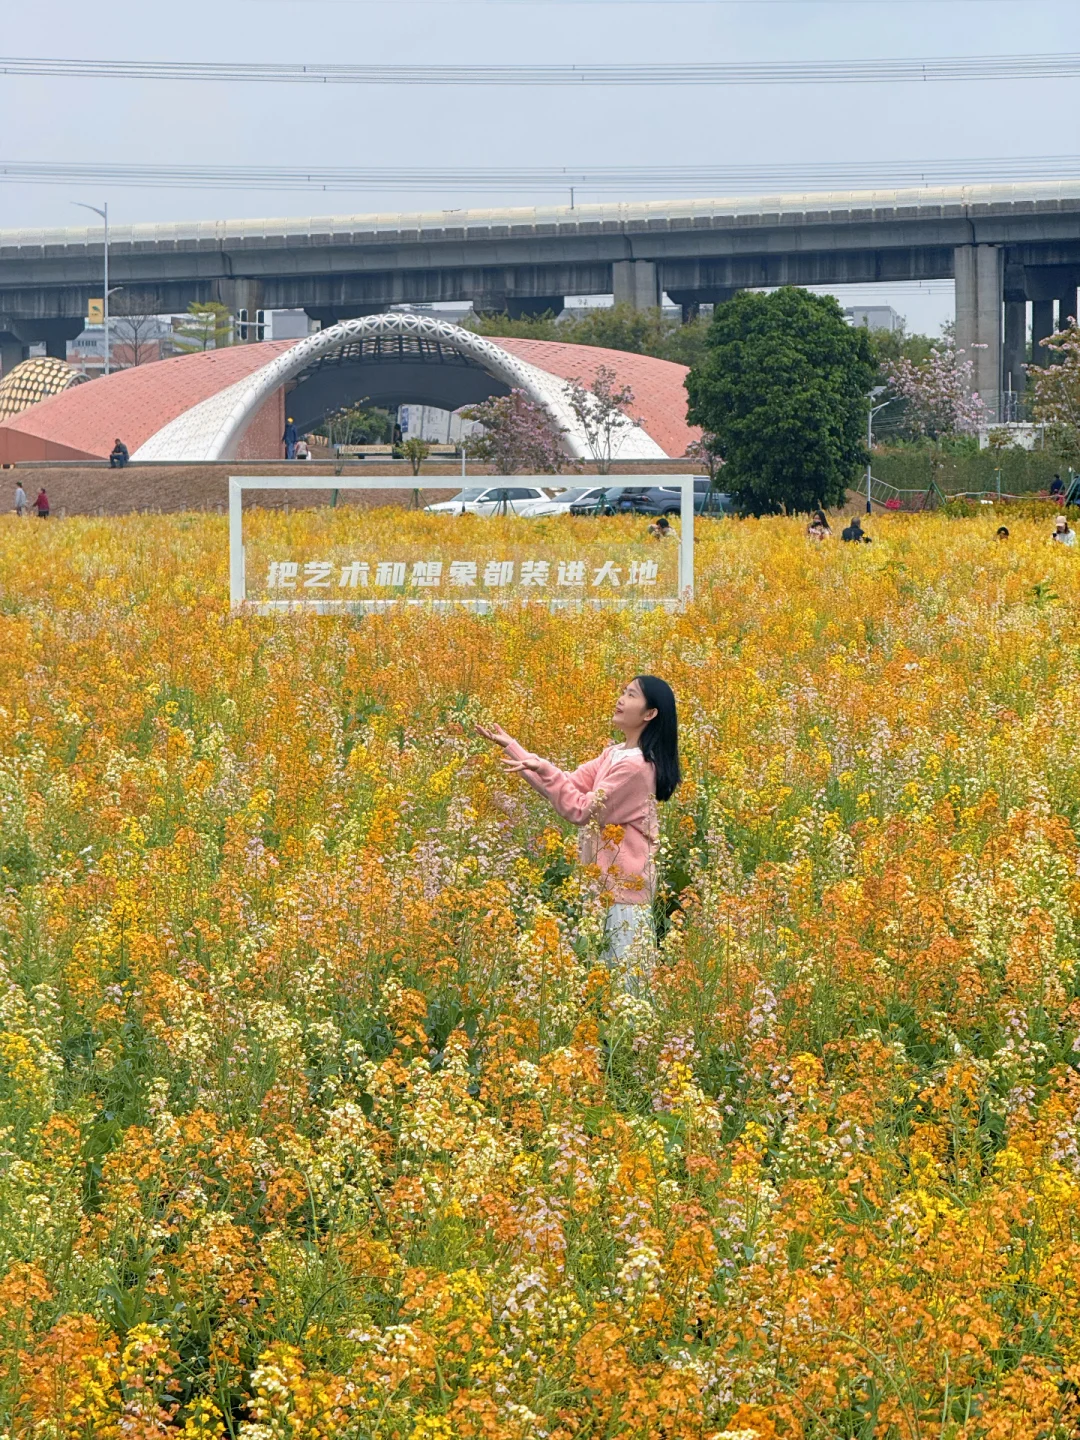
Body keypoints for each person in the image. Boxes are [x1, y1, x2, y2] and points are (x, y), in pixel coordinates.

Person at [477, 676, 681, 978]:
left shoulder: (635, 767)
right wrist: (517, 751)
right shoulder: (615, 753)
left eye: (631, 695)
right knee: (599, 980)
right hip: (601, 886)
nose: (621, 699)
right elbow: (566, 786)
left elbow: (581, 810)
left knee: (626, 984)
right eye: (623, 692)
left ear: (650, 713)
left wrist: (542, 767)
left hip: (623, 892)